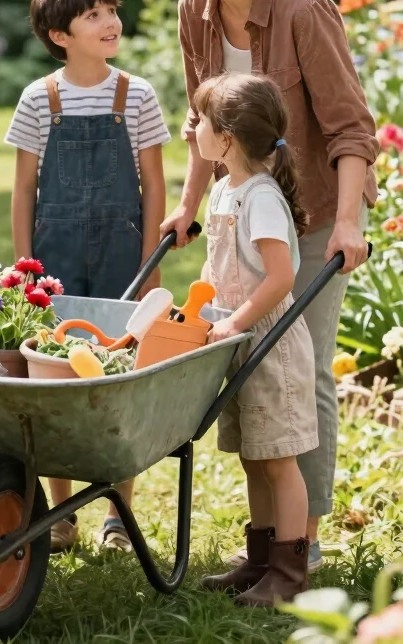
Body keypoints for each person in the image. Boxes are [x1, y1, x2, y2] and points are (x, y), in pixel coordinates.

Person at [159, 0, 378, 571]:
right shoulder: (197, 7)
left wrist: (346, 224)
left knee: (301, 373)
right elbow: (203, 116)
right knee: (251, 371)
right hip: (240, 215)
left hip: (310, 214)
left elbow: (350, 130)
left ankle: (301, 546)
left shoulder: (303, 10)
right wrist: (190, 203)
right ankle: (271, 545)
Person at [5, 0, 169, 553]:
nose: (110, 23)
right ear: (59, 34)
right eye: (93, 15)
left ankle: (118, 512)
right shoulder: (38, 98)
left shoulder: (138, 94)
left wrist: (150, 262)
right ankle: (60, 512)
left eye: (111, 10)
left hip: (125, 249)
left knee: (119, 369)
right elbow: (24, 189)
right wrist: (24, 264)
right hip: (56, 252)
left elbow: (154, 184)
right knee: (56, 372)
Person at [195, 73, 317, 606]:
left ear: (225, 137)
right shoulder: (224, 188)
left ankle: (290, 576)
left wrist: (236, 321)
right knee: (253, 454)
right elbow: (218, 267)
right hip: (237, 334)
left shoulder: (261, 197)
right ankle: (261, 560)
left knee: (278, 458)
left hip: (271, 343)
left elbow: (281, 277)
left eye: (199, 119)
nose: (190, 127)